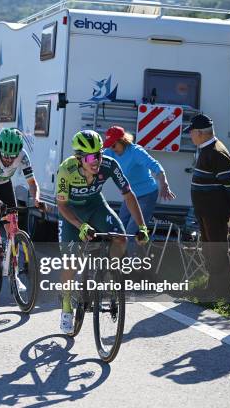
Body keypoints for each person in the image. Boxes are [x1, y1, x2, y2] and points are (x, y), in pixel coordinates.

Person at [56, 130, 148, 333]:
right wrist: (81, 226)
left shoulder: (108, 165)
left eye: (98, 154)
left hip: (96, 206)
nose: (96, 161)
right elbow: (61, 206)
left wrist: (141, 226)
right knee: (70, 263)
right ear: (79, 158)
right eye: (90, 157)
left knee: (121, 238)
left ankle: (109, 274)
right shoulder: (67, 169)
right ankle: (66, 308)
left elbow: (128, 194)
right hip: (72, 211)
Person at [185, 114, 230, 299]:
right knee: (209, 251)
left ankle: (224, 295)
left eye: (191, 132)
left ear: (200, 133)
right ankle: (212, 288)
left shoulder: (216, 152)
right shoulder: (206, 149)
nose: (190, 136)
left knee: (217, 251)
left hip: (214, 212)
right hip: (205, 211)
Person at [103, 125, 176, 235]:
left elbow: (156, 166)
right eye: (109, 146)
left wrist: (164, 184)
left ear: (122, 140)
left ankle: (134, 252)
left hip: (147, 195)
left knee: (132, 232)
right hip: (130, 196)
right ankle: (124, 251)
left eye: (113, 145)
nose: (112, 149)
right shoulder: (110, 152)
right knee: (119, 229)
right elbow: (96, 160)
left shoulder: (136, 151)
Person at [0, 128, 41, 259]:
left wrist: (36, 199)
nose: (9, 159)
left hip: (4, 184)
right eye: (5, 155)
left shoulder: (22, 155)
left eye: (12, 156)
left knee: (13, 227)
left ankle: (12, 270)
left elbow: (32, 182)